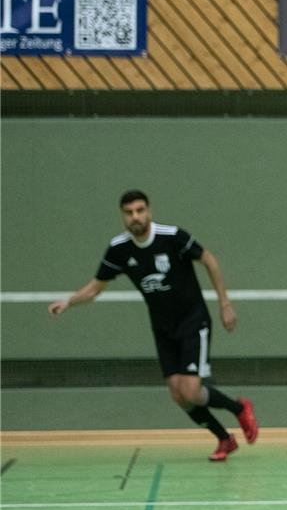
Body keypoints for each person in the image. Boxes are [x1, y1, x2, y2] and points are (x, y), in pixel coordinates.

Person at [48, 190, 259, 462]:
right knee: (178, 394)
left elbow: (209, 259)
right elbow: (94, 288)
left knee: (192, 390)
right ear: (123, 216)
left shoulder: (172, 237)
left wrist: (225, 304)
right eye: (129, 212)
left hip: (193, 320)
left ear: (149, 211)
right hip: (163, 327)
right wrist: (68, 302)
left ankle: (238, 408)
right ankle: (224, 439)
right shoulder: (119, 249)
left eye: (140, 210)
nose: (135, 216)